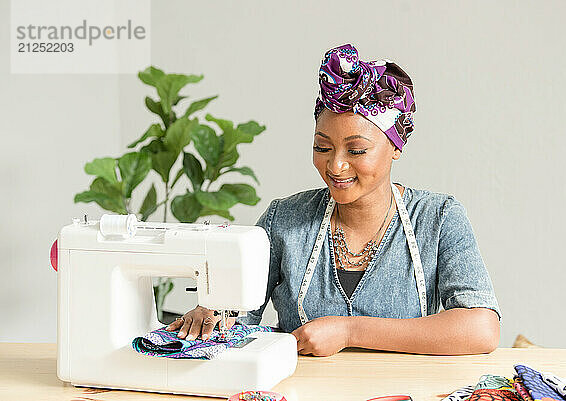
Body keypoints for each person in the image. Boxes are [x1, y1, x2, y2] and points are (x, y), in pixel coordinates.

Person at [167, 43, 501, 357]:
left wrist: (350, 330)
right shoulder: (284, 219)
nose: (335, 165)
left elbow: (481, 328)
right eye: (322, 147)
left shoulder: (438, 218)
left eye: (356, 150)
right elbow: (237, 316)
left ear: (396, 146)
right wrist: (213, 313)